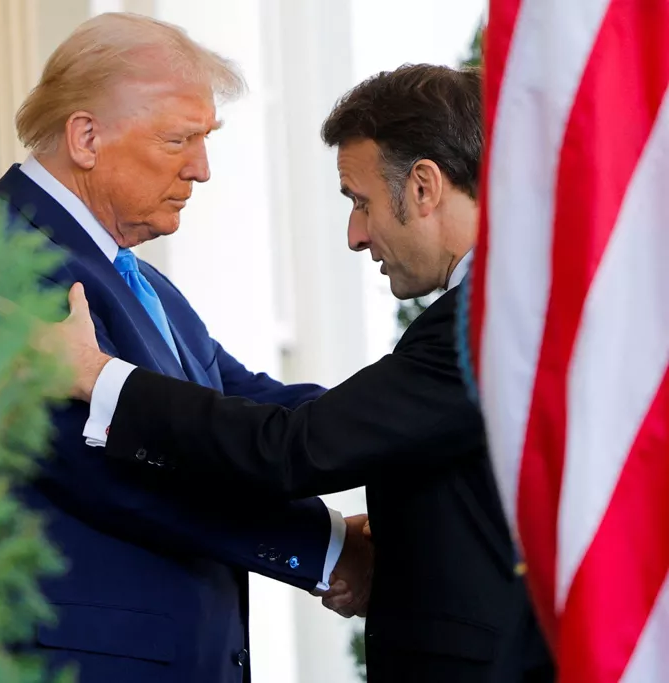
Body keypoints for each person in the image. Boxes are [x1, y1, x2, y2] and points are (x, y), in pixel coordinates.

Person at [53, 64, 555, 683]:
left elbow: (291, 448)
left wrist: (97, 375)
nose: (355, 235)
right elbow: (356, 428)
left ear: (424, 187)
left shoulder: (489, 316)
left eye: (361, 202)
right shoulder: (523, 301)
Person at [0, 12, 370, 683]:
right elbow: (124, 474)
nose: (202, 169)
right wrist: (329, 547)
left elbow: (248, 408)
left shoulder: (134, 275)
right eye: (179, 139)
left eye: (206, 139)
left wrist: (411, 423)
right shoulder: (4, 265)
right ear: (86, 137)